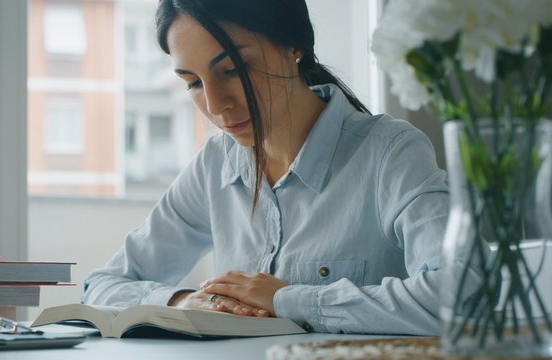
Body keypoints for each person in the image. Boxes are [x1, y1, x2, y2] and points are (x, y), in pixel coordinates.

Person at [83, 0, 449, 335]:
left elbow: (461, 295)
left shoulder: (390, 151)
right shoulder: (215, 164)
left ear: (293, 46)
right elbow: (103, 285)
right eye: (193, 83)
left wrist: (286, 300)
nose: (214, 105)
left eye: (232, 69)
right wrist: (181, 302)